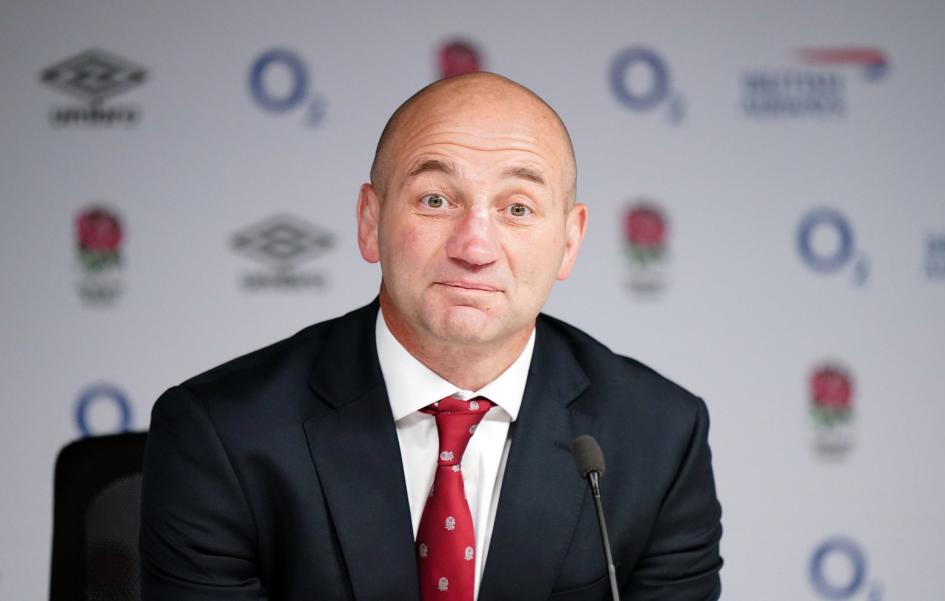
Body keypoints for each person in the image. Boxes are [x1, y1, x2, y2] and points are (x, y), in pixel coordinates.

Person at [140, 72, 723, 601]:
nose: (474, 247)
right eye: (436, 200)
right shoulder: (222, 432)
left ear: (569, 242)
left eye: (517, 209)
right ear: (370, 222)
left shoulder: (660, 437)